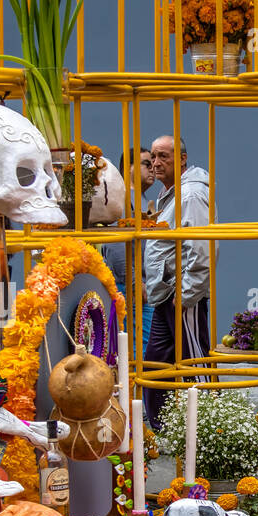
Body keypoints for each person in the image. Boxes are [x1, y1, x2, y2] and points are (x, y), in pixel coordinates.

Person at [143, 135, 214, 427]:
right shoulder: (173, 194)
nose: (157, 163)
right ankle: (163, 427)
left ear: (182, 159)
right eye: (154, 157)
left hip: (181, 297)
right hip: (167, 295)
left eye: (164, 157)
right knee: (155, 365)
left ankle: (211, 426)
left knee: (196, 365)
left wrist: (185, 295)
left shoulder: (190, 195)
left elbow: (200, 250)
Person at [103, 144, 157, 353]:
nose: (152, 168)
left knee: (147, 350)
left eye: (153, 164)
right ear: (128, 168)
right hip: (135, 289)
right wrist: (134, 282)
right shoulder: (123, 198)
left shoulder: (141, 200)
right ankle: (136, 386)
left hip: (145, 287)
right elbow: (117, 245)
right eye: (146, 163)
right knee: (139, 352)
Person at [126, 145, 156, 216]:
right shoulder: (120, 198)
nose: (152, 170)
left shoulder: (146, 201)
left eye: (153, 166)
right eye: (147, 164)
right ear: (129, 167)